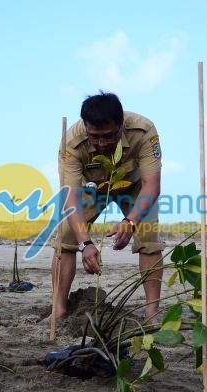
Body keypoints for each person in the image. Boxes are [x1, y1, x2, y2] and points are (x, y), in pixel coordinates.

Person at [51, 92, 165, 322]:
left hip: (133, 186)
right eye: (95, 137)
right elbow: (70, 196)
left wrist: (130, 223)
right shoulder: (71, 142)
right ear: (85, 127)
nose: (102, 144)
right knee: (65, 237)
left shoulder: (143, 131)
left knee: (149, 237)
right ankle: (59, 309)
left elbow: (151, 185)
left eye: (109, 136)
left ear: (121, 125)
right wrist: (86, 244)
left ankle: (153, 311)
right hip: (91, 188)